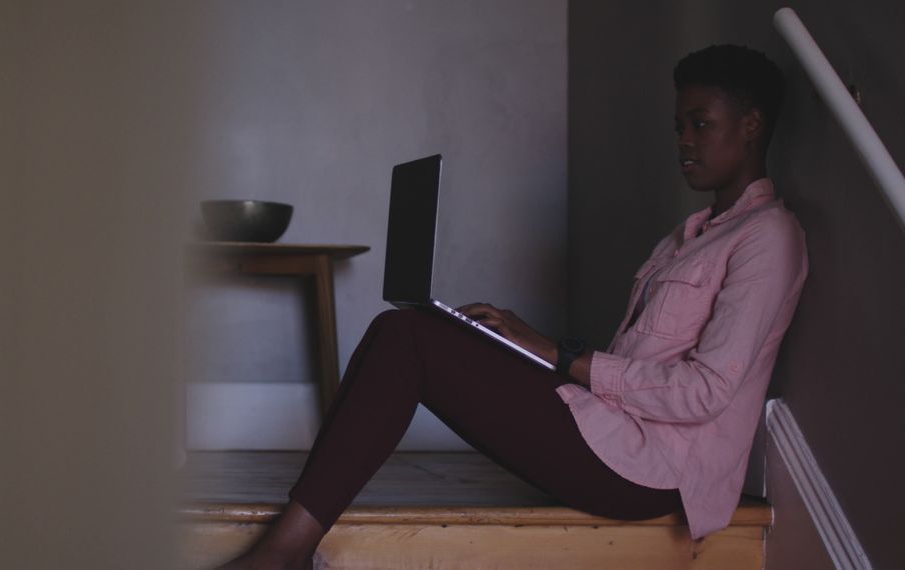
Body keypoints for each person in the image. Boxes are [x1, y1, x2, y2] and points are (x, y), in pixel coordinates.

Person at [215, 44, 808, 570]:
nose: (683, 141)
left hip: (652, 474)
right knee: (412, 325)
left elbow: (703, 393)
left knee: (409, 339)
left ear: (751, 125)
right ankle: (288, 547)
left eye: (700, 124)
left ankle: (284, 551)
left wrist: (558, 353)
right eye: (679, 125)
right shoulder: (688, 236)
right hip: (613, 434)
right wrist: (527, 345)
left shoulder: (768, 237)